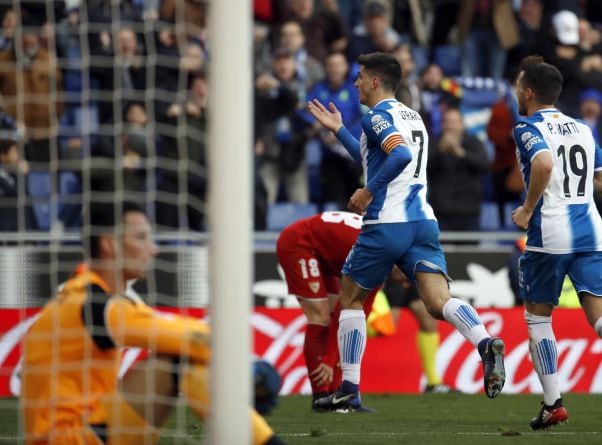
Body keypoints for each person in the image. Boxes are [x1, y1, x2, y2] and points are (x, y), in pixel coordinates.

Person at [306, 52, 505, 412]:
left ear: (375, 81)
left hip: (387, 223)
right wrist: (339, 131)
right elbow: (377, 158)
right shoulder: (412, 117)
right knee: (437, 302)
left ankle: (349, 387)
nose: (356, 84)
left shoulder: (378, 117)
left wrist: (369, 191)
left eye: (360, 77)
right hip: (423, 223)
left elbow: (398, 158)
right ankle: (484, 341)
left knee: (349, 299)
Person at [20, 201, 281, 445]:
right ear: (110, 244)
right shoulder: (93, 305)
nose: (152, 248)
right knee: (178, 361)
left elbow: (182, 333)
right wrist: (243, 366)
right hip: (70, 437)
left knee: (184, 357)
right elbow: (190, 338)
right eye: (141, 237)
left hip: (84, 428)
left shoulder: (87, 297)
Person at [510, 55, 602, 432]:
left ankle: (553, 403)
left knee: (538, 317)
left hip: (550, 235)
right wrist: (571, 189)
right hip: (591, 231)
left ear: (527, 93)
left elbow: (541, 165)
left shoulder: (526, 126)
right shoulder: (581, 128)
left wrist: (527, 208)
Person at [276, 210, 378, 410]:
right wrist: (329, 359)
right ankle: (321, 396)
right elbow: (347, 308)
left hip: (325, 251)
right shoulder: (375, 257)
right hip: (300, 242)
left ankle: (338, 397)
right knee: (320, 316)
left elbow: (357, 315)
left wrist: (332, 358)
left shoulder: (385, 249)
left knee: (341, 320)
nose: (408, 283)